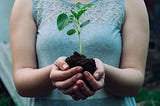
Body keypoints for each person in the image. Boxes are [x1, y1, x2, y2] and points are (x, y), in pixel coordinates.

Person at [10, 0, 149, 105]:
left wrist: (104, 73)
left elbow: (134, 81)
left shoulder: (131, 3)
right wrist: (51, 76)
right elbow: (21, 81)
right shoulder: (28, 2)